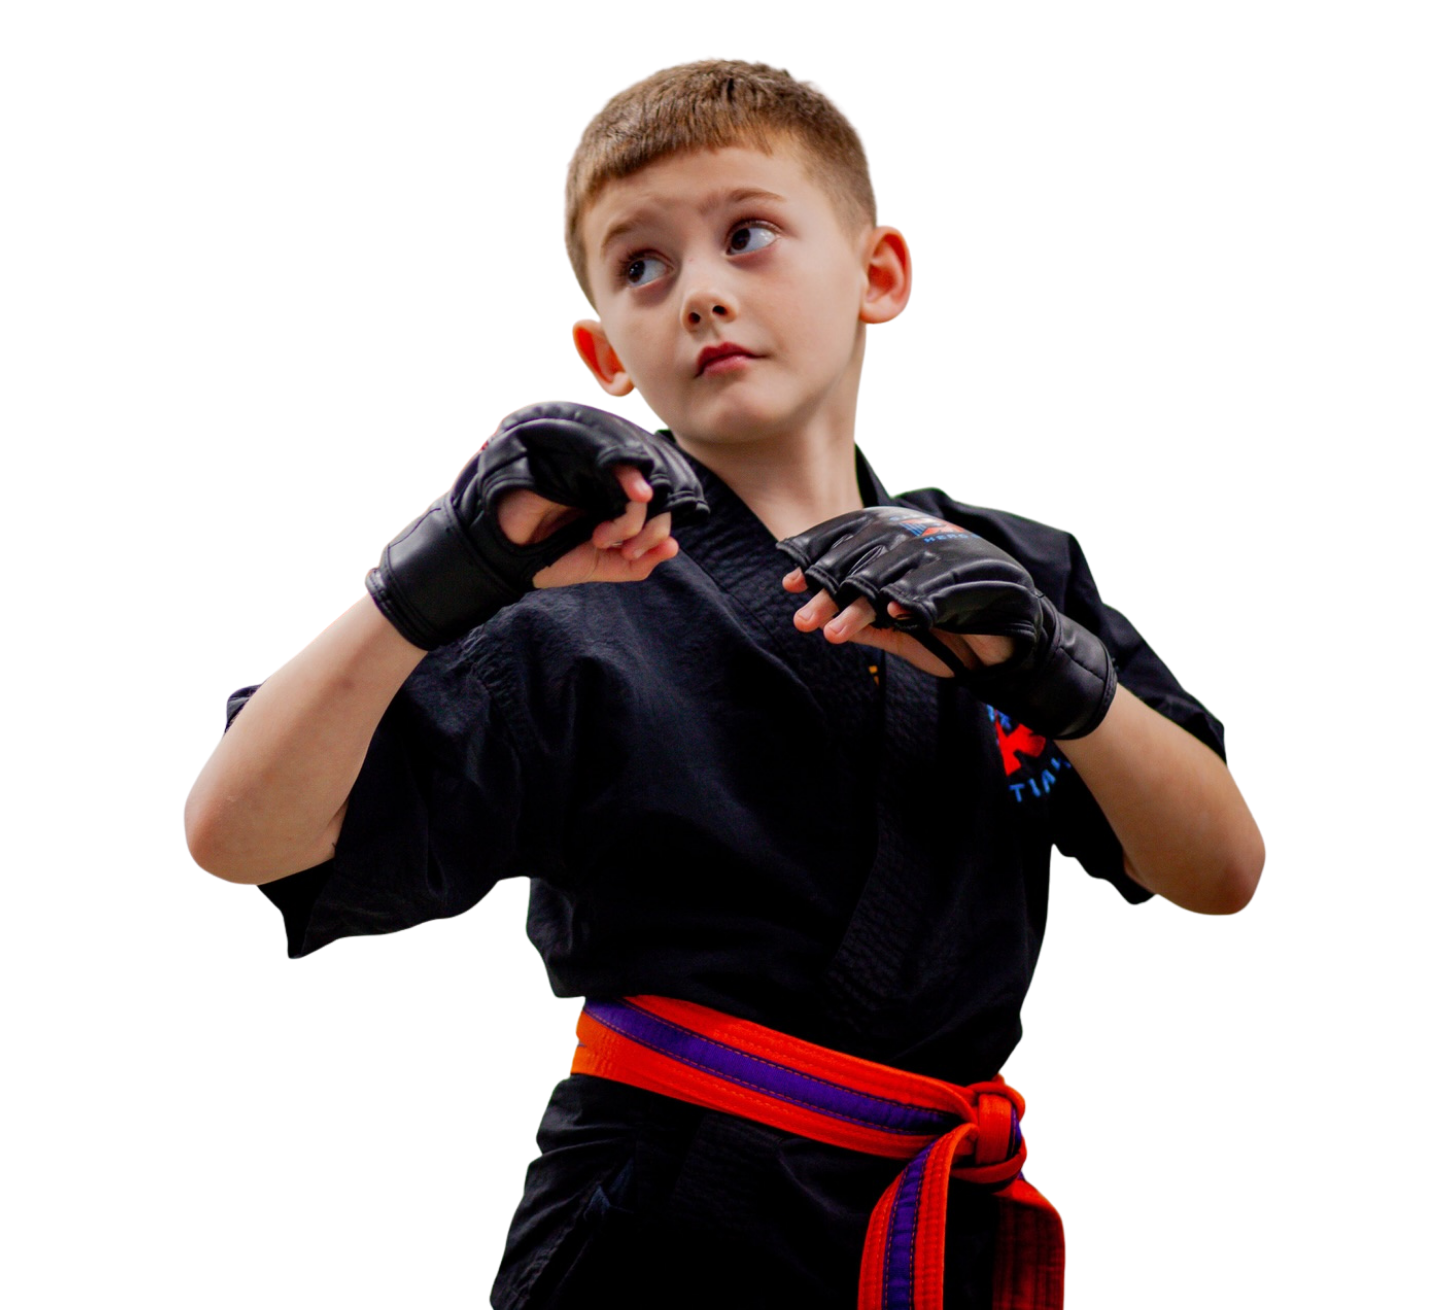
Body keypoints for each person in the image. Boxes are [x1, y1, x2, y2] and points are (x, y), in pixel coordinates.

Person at [183, 56, 1266, 1310]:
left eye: (747, 235)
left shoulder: (1013, 573)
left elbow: (1221, 870)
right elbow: (233, 840)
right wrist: (421, 587)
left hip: (936, 1223)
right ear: (604, 352)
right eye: (642, 266)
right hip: (661, 1215)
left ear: (879, 273)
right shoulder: (571, 592)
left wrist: (1056, 672)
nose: (699, 292)